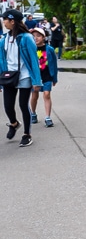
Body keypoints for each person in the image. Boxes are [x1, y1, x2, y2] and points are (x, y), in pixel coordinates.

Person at [0, 9, 42, 148]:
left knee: (23, 105)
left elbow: (33, 60)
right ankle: (14, 123)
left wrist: (36, 81)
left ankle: (26, 134)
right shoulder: (4, 39)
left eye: (5, 19)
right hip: (9, 76)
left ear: (12, 21)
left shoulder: (26, 38)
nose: (3, 22)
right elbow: (1, 60)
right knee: (8, 106)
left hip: (24, 76)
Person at [28, 27, 58, 128]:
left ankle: (48, 117)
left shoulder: (49, 49)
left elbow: (54, 64)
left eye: (38, 36)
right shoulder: (31, 49)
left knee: (47, 95)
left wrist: (55, 78)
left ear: (43, 37)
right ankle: (33, 113)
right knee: (34, 95)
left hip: (47, 76)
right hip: (35, 77)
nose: (36, 38)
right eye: (33, 36)